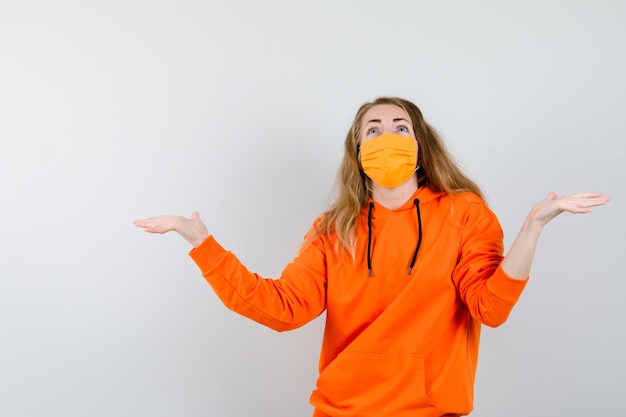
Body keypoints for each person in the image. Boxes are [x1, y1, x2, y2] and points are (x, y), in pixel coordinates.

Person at [134, 97, 610, 417]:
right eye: (373, 129)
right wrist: (201, 242)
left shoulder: (464, 213)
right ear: (358, 150)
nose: (387, 138)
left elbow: (491, 307)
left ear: (420, 145)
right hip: (342, 410)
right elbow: (280, 309)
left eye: (401, 128)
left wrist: (533, 228)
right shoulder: (333, 228)